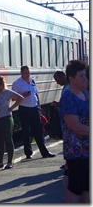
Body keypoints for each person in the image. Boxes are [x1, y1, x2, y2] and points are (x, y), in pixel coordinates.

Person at [59, 60, 89, 203]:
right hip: (76, 150)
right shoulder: (68, 97)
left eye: (86, 75)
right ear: (71, 77)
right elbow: (74, 126)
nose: (85, 78)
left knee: (87, 189)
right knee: (76, 187)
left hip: (88, 150)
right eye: (81, 76)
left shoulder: (84, 94)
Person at [12, 66, 56, 159]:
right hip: (24, 109)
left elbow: (36, 93)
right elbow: (13, 98)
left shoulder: (32, 81)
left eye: (28, 72)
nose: (27, 74)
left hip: (34, 108)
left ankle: (44, 152)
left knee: (39, 130)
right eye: (25, 73)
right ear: (21, 73)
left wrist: (39, 106)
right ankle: (28, 153)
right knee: (26, 131)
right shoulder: (17, 83)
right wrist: (23, 95)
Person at [0, 76, 23, 169]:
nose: (2, 86)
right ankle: (0, 162)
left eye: (3, 84)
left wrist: (12, 108)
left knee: (8, 139)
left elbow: (20, 98)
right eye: (0, 84)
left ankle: (10, 162)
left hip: (5, 118)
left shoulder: (7, 92)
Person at [50, 71, 69, 139]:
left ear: (62, 77)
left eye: (57, 80)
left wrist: (58, 104)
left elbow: (69, 103)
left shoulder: (69, 88)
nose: (57, 83)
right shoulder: (66, 87)